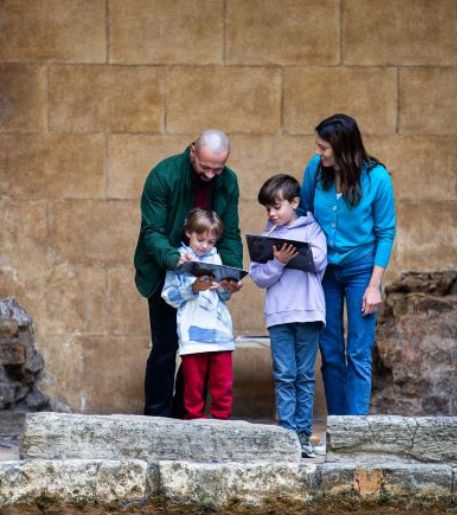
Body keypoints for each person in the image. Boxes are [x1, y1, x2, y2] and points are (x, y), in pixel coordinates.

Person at [134, 130, 243, 418]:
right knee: (165, 345)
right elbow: (152, 231)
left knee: (197, 351)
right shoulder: (164, 174)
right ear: (192, 151)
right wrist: (173, 257)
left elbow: (230, 233)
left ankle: (185, 414)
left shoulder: (228, 181)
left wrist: (231, 272)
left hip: (207, 281)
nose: (210, 175)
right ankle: (156, 417)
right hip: (166, 274)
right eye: (205, 167)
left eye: (217, 169)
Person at [298, 114, 396, 416]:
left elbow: (386, 232)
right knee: (329, 350)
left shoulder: (376, 177)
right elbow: (303, 213)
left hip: (361, 270)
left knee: (359, 350)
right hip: (325, 269)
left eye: (324, 147)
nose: (318, 152)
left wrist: (373, 286)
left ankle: (355, 430)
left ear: (342, 148)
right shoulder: (316, 170)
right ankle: (338, 426)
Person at [249, 174, 327, 457]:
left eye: (277, 207)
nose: (272, 214)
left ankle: (303, 435)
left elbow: (318, 260)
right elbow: (258, 276)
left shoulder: (312, 230)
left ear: (294, 202)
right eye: (268, 209)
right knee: (284, 374)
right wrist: (278, 263)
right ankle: (286, 435)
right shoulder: (267, 236)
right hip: (279, 315)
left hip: (308, 313)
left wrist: (290, 255)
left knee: (304, 375)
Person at [161, 209, 236, 420]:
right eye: (200, 239)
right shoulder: (178, 260)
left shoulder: (217, 258)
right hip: (192, 332)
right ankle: (194, 419)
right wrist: (193, 287)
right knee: (193, 383)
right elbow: (169, 296)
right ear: (188, 233)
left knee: (223, 382)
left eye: (211, 241)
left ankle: (222, 419)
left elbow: (224, 298)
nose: (205, 246)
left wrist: (225, 287)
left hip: (220, 332)